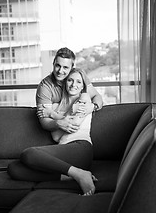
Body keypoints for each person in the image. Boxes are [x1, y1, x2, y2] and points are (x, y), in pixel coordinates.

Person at [8, 68, 99, 196]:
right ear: (65, 82)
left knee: (28, 153)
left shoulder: (84, 98)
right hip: (64, 154)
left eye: (79, 82)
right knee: (14, 169)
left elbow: (74, 123)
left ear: (83, 86)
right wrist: (59, 115)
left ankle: (80, 174)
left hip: (80, 148)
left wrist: (52, 114)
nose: (74, 85)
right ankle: (72, 175)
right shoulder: (57, 106)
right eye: (70, 80)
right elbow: (56, 136)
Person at [36, 47, 103, 135]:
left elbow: (97, 97)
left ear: (72, 67)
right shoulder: (45, 87)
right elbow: (44, 121)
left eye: (65, 67)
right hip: (57, 134)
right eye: (58, 66)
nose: (60, 71)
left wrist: (92, 107)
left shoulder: (78, 78)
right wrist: (59, 123)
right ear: (53, 64)